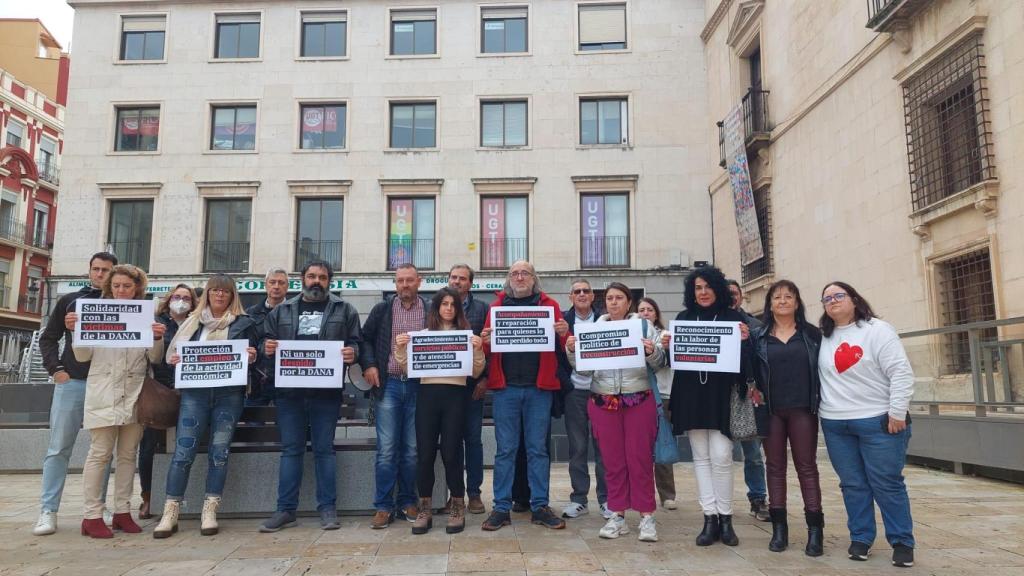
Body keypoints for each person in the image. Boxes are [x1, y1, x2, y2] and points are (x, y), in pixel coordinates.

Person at [818, 281, 915, 568]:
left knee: (887, 482)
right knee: (852, 484)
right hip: (836, 423)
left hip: (879, 421)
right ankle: (860, 538)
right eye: (826, 299)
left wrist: (897, 412)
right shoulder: (823, 335)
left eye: (839, 295)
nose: (833, 301)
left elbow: (900, 371)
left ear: (854, 299)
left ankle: (902, 542)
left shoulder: (877, 330)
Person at [259, 260, 361, 532]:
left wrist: (354, 353)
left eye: (323, 277)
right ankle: (285, 510)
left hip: (326, 394)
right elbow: (263, 343)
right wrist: (265, 348)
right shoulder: (282, 311)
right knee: (291, 450)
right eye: (312, 276)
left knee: (324, 450)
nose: (317, 281)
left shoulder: (345, 309)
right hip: (289, 394)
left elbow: (356, 343)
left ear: (330, 281)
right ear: (302, 279)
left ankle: (327, 509)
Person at [153, 275, 259, 538]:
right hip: (195, 395)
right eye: (215, 291)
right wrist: (177, 358)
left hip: (229, 395)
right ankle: (171, 510)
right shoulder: (192, 323)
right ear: (207, 295)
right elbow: (170, 356)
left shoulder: (245, 323)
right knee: (183, 451)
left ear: (233, 295)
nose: (220, 296)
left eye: (225, 292)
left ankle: (210, 509)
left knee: (219, 452)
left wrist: (252, 357)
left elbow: (256, 360)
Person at [68, 264, 166, 538]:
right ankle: (91, 514)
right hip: (104, 391)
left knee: (127, 455)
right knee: (99, 454)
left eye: (127, 286)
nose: (122, 290)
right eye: (117, 285)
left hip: (135, 393)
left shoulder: (146, 315)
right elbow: (82, 357)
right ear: (109, 287)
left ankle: (123, 511)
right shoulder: (94, 312)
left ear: (137, 289)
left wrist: (157, 337)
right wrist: (78, 331)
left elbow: (155, 358)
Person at [567, 283, 664, 542]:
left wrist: (652, 351)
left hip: (638, 398)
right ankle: (617, 514)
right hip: (603, 401)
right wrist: (572, 351)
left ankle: (646, 516)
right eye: (609, 298)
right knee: (612, 461)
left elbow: (661, 361)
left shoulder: (644, 326)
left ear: (629, 302)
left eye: (619, 297)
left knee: (640, 459)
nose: (613, 302)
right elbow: (583, 371)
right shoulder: (594, 329)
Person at [663, 266, 751, 547]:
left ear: (718, 288)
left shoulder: (733, 318)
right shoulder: (684, 318)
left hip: (722, 396)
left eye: (708, 287)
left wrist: (746, 341)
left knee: (723, 456)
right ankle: (709, 517)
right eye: (698, 288)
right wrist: (667, 345)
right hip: (691, 395)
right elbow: (674, 361)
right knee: (700, 457)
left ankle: (726, 518)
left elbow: (746, 365)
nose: (703, 292)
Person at [479, 260, 569, 531]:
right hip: (505, 389)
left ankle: (539, 505)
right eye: (515, 273)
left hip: (538, 389)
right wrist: (484, 340)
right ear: (509, 279)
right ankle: (501, 507)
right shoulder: (496, 308)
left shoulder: (550, 306)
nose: (520, 277)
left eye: (525, 273)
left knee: (537, 450)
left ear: (534, 278)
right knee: (505, 450)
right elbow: (486, 351)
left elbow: (566, 346)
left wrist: (565, 334)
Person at [33, 252, 117, 536]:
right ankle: (48, 510)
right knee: (58, 448)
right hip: (73, 383)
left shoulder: (125, 304)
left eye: (106, 270)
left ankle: (98, 505)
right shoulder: (70, 301)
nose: (100, 274)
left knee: (103, 451)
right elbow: (48, 337)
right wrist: (55, 369)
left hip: (106, 384)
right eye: (96, 269)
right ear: (89, 271)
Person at [395, 287, 485, 534]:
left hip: (456, 396)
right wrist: (401, 347)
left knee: (452, 453)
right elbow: (406, 367)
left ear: (457, 309)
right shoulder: (423, 334)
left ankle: (457, 505)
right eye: (444, 304)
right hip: (427, 396)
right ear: (436, 308)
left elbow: (476, 372)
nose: (448, 308)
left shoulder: (466, 336)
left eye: (452, 304)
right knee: (424, 454)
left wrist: (477, 349)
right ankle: (424, 506)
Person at [749, 280, 824, 555]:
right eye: (777, 297)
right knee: (775, 467)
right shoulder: (758, 336)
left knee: (807, 467)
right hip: (771, 411)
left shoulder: (813, 335)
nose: (782, 301)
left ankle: (815, 531)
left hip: (803, 409)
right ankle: (779, 529)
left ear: (797, 302)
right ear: (769, 304)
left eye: (788, 296)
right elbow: (748, 369)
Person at [360, 263, 428, 529]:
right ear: (395, 283)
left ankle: (408, 501)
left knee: (412, 450)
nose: (405, 285)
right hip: (388, 385)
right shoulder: (383, 309)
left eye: (410, 280)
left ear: (419, 282)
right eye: (400, 281)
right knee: (387, 450)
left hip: (419, 386)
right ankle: (383, 506)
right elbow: (364, 339)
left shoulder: (430, 309)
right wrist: (369, 365)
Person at [138, 283, 196, 519]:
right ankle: (147, 496)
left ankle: (180, 496)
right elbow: (150, 356)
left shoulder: (198, 324)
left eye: (186, 298)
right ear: (169, 299)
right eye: (177, 296)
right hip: (160, 389)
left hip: (189, 390)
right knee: (149, 445)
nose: (181, 301)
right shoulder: (156, 322)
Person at [560, 278, 610, 520]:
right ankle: (579, 499)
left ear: (593, 296)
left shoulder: (606, 320)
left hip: (602, 391)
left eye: (586, 291)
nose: (581, 294)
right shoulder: (562, 322)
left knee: (604, 448)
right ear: (571, 297)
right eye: (576, 291)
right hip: (575, 392)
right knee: (577, 448)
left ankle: (606, 499)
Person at [447, 264, 489, 515]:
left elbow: (490, 347)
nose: (457, 282)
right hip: (445, 387)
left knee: (472, 440)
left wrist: (485, 379)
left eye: (462, 279)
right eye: (453, 277)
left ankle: (474, 493)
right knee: (449, 442)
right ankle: (453, 494)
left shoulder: (483, 309)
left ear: (470, 283)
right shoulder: (437, 305)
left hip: (473, 387)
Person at [728, 279, 770, 522]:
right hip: (719, 394)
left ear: (741, 296)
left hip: (745, 393)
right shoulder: (710, 322)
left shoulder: (755, 325)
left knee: (752, 451)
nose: (731, 297)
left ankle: (757, 497)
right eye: (726, 294)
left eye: (734, 293)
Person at [637, 297, 677, 511]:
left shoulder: (665, 336)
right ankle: (643, 494)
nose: (645, 313)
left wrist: (662, 349)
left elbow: (671, 363)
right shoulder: (631, 334)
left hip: (662, 395)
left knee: (662, 443)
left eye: (649, 309)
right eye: (641, 310)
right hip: (639, 394)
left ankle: (667, 494)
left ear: (656, 313)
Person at [245, 267, 289, 407]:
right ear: (266, 285)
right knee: (254, 426)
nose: (276, 286)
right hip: (258, 382)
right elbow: (246, 343)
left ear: (287, 286)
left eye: (281, 283)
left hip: (288, 381)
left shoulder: (297, 312)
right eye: (272, 282)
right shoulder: (250, 313)